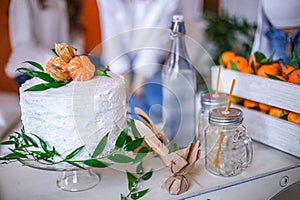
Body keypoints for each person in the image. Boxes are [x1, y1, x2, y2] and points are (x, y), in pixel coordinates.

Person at [96, 0, 203, 123]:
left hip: (151, 65)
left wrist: (137, 88)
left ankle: (149, 133)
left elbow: (154, 43)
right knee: (116, 106)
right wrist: (125, 92)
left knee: (157, 104)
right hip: (116, 65)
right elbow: (112, 41)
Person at [5, 0, 85, 87]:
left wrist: (76, 62)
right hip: (32, 70)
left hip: (62, 71)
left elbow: (74, 39)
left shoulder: (68, 2)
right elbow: (24, 45)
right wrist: (56, 63)